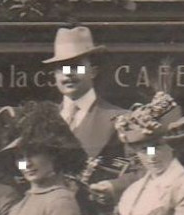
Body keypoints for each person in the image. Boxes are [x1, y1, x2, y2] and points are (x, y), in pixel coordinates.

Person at [0, 101, 87, 215]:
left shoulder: (59, 201)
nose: (27, 163)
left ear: (54, 153)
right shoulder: (25, 200)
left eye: (34, 153)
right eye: (20, 157)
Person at [112, 93, 184, 215]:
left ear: (172, 146)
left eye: (157, 146)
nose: (152, 156)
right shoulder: (132, 192)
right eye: (144, 150)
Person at [46, 26, 129, 160]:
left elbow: (140, 168)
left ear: (93, 72)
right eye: (62, 68)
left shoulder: (121, 119)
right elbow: (23, 164)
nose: (68, 73)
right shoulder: (43, 122)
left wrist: (110, 183)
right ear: (54, 75)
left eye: (76, 67)